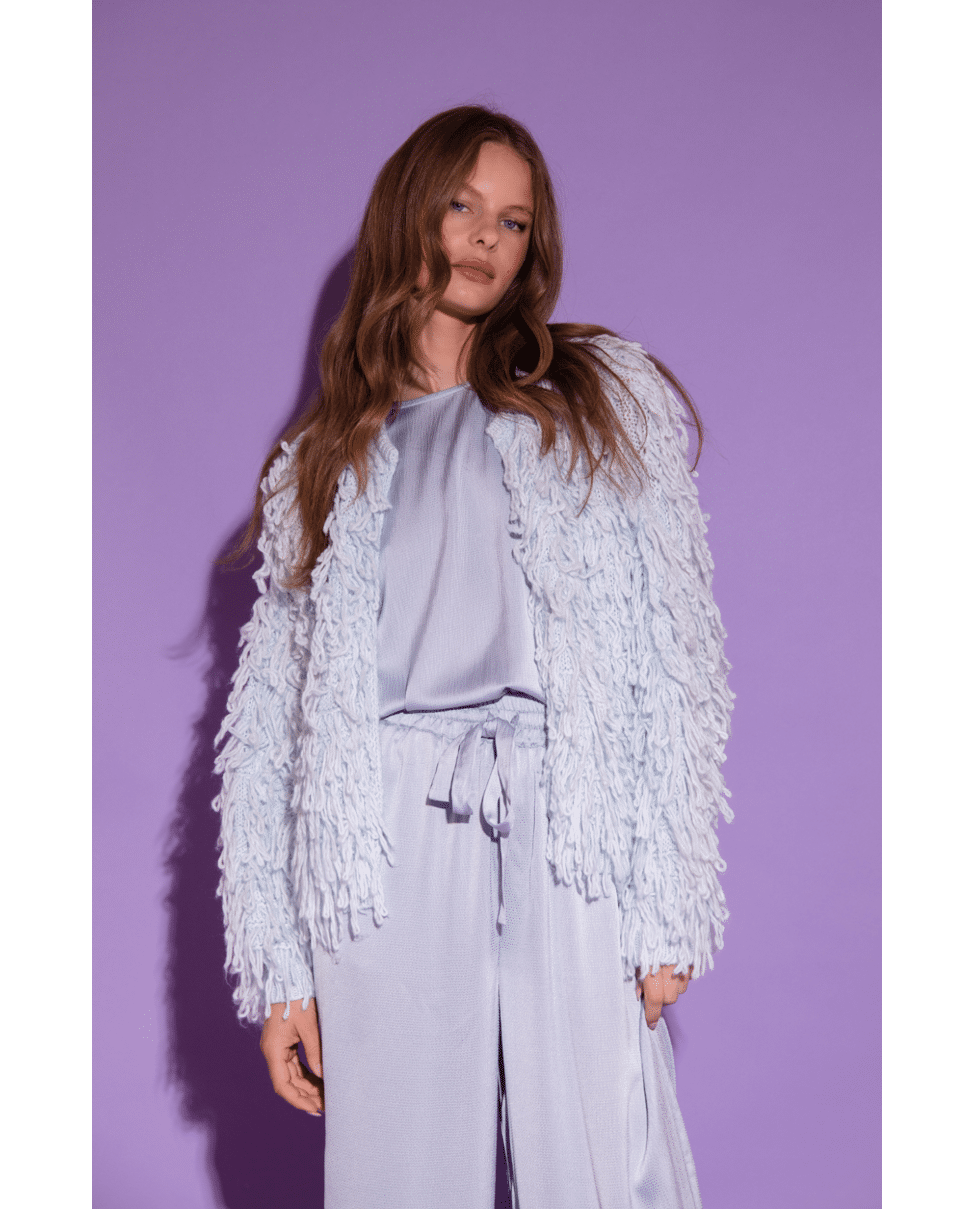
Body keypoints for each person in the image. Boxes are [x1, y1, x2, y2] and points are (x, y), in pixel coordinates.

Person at [214, 105, 733, 1209]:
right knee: (397, 1177)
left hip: (564, 818)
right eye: (461, 204)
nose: (486, 236)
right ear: (409, 211)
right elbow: (270, 733)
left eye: (513, 220)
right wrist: (280, 972)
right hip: (385, 836)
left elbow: (672, 654)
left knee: (600, 1165)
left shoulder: (593, 396)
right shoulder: (321, 460)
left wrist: (670, 900)